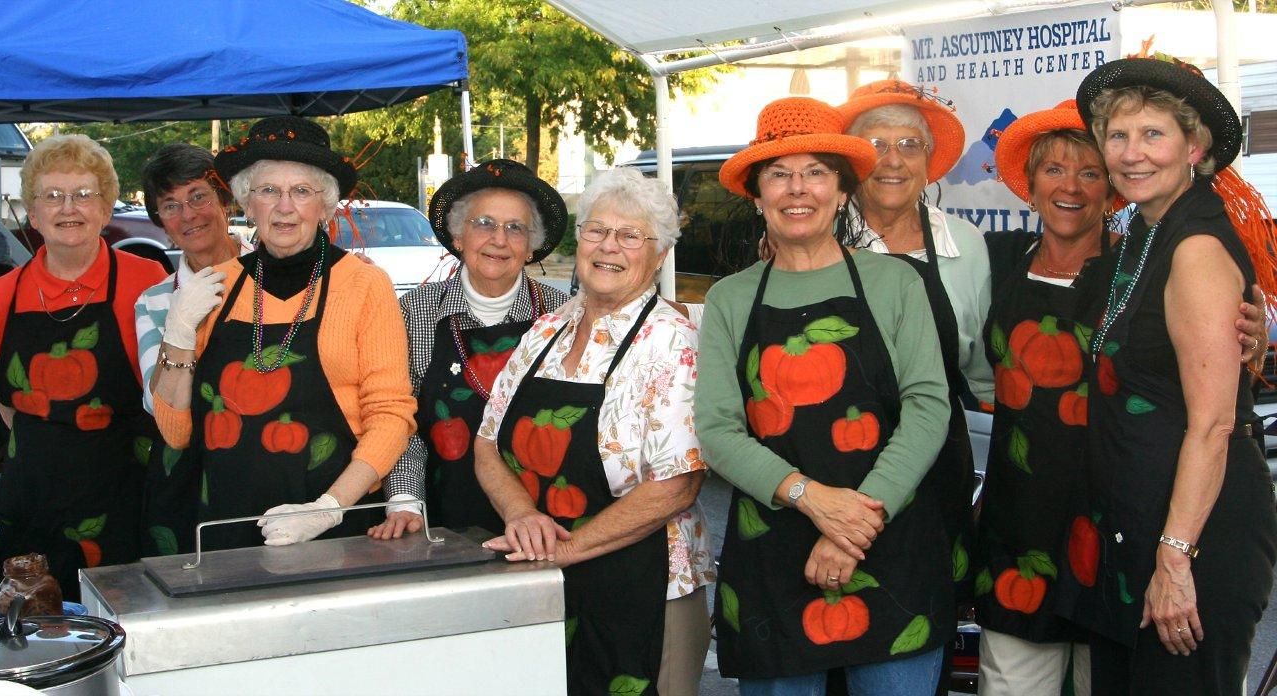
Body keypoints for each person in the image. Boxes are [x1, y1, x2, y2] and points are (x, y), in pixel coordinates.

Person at [696, 96, 952, 694]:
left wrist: (856, 519)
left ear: (842, 192)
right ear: (757, 196)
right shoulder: (731, 299)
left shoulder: (896, 282)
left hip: (887, 539)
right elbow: (717, 428)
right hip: (773, 554)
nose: (797, 189)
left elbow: (928, 405)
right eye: (779, 174)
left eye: (816, 173)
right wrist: (815, 501)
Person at [1055, 56, 1277, 694]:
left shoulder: (1197, 249)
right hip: (1139, 527)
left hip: (1194, 538)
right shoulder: (1140, 237)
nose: (1131, 154)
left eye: (1153, 134)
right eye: (1118, 136)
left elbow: (1212, 423)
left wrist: (1175, 559)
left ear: (1194, 147)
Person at [475, 167, 714, 695]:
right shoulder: (545, 330)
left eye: (631, 236)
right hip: (543, 580)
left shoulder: (673, 343)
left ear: (659, 255)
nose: (609, 247)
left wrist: (562, 549)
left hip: (646, 585)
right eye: (597, 230)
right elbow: (487, 441)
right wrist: (522, 515)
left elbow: (677, 484)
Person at [150, 116, 415, 551]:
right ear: (247, 204)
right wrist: (178, 335)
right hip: (224, 525)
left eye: (302, 191)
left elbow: (391, 415)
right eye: (268, 191)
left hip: (334, 528)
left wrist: (330, 506)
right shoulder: (215, 286)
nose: (284, 206)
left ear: (325, 206)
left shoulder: (364, 285)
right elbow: (177, 432)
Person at [971, 100, 1121, 696]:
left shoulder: (1141, 271)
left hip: (1112, 526)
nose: (1072, 187)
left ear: (1111, 189)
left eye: (1090, 172)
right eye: (1055, 170)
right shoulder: (996, 259)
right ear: (1029, 184)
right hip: (1017, 521)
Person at [837, 82, 987, 631]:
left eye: (909, 145)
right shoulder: (813, 237)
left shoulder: (965, 246)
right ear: (851, 159)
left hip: (934, 475)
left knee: (923, 635)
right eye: (875, 144)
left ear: (929, 162)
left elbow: (986, 377)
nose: (893, 160)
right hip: (834, 473)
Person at [0, 134, 168, 597]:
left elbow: (168, 387)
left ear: (107, 208)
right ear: (33, 213)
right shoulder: (3, 294)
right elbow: (4, 405)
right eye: (52, 196)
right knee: (37, 632)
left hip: (125, 500)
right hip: (31, 507)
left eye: (83, 194)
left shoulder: (147, 280)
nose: (67, 207)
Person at [367, 159, 569, 540]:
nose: (499, 239)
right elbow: (401, 421)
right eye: (484, 223)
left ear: (531, 247)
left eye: (515, 228)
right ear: (458, 237)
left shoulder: (563, 316)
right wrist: (406, 502)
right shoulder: (414, 311)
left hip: (546, 527)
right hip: (440, 521)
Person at [135, 143, 251, 416]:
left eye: (198, 197)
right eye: (170, 206)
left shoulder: (279, 271)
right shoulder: (153, 303)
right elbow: (156, 404)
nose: (187, 214)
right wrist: (179, 327)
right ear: (160, 221)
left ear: (224, 199)